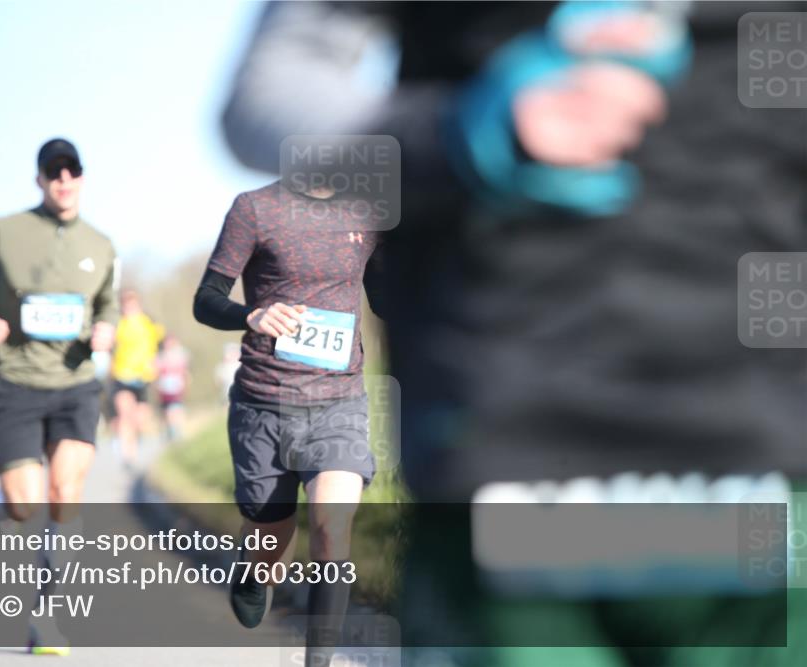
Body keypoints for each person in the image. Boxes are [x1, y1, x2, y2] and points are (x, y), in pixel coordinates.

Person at [221, 2, 806, 665]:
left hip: (771, 465)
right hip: (511, 453)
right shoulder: (261, 218)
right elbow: (263, 96)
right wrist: (454, 135)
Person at [193, 178, 388, 665]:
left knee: (333, 525)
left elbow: (387, 297)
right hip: (264, 405)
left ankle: (317, 661)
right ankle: (254, 571)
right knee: (269, 541)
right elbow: (207, 298)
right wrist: (252, 314)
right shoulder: (256, 209)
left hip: (338, 404)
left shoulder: (368, 211)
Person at [0, 137, 119, 655]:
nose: (64, 181)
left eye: (72, 172)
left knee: (65, 492)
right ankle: (6, 500)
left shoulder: (101, 244)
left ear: (83, 178)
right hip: (17, 382)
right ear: (39, 180)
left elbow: (110, 305)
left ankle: (48, 615)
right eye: (54, 173)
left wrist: (106, 329)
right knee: (26, 506)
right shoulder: (5, 232)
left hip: (75, 386)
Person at [109, 289, 164, 463]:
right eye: (125, 305)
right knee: (124, 413)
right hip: (122, 373)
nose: (128, 308)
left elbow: (160, 344)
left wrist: (156, 362)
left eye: (131, 305)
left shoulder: (149, 323)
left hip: (144, 376)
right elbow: (110, 346)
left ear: (138, 305)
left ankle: (135, 440)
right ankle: (128, 453)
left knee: (140, 419)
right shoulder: (118, 324)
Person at [154, 334, 190, 442]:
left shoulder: (181, 355)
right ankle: (169, 431)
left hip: (177, 388)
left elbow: (185, 372)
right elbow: (156, 372)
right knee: (167, 410)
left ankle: (177, 431)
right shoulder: (160, 357)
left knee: (176, 408)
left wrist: (185, 383)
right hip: (164, 389)